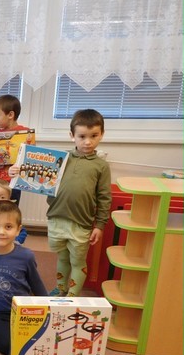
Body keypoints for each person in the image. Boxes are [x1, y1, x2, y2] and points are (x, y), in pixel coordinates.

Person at [11, 109, 111, 297]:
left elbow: (104, 197)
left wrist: (99, 225)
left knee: (78, 261)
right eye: (82, 136)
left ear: (101, 134)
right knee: (62, 257)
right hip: (57, 217)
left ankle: (73, 295)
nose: (88, 142)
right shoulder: (60, 159)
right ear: (72, 135)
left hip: (81, 222)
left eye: (94, 136)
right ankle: (61, 288)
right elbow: (31, 173)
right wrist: (16, 172)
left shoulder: (101, 166)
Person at [0, 200, 47, 355]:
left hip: (22, 310)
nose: (1, 232)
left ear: (18, 230)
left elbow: (36, 284)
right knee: (9, 345)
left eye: (8, 227)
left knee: (41, 339)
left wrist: (49, 308)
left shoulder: (26, 256)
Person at [0, 94, 35, 205]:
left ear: (10, 115)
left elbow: (30, 157)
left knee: (11, 210)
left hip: (12, 182)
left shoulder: (25, 134)